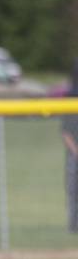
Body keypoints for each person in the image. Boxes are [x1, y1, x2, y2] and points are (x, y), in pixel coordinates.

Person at [61, 58, 78, 233]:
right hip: (74, 154)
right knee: (73, 190)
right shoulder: (71, 97)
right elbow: (65, 131)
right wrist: (76, 151)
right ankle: (74, 226)